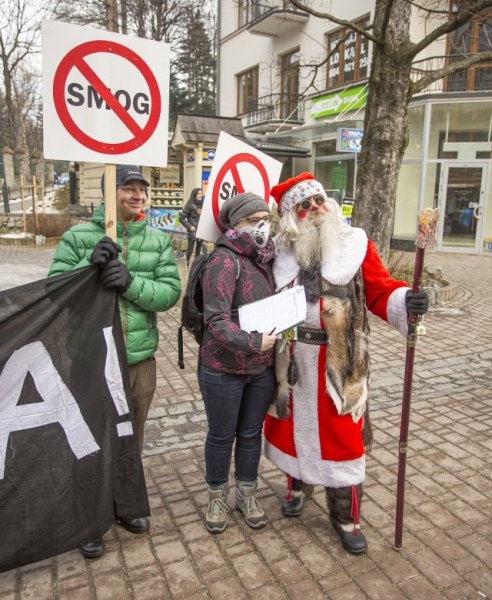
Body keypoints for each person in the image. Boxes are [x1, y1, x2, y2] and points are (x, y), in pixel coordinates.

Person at [263, 172, 429, 554]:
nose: (315, 208)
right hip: (291, 361)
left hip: (339, 362)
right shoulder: (279, 252)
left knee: (342, 439)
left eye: (319, 200)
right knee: (291, 428)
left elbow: (381, 289)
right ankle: (297, 487)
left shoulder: (355, 244)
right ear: (291, 216)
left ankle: (346, 517)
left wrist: (406, 300)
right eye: (304, 205)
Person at [48, 164, 181, 558]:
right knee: (90, 438)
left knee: (130, 437)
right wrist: (88, 267)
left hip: (138, 361)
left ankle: (126, 503)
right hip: (92, 358)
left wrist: (131, 283)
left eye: (142, 188)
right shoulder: (77, 237)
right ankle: (90, 517)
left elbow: (169, 293)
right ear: (109, 192)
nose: (138, 195)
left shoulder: (157, 240)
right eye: (128, 187)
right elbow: (55, 292)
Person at [198, 192, 278, 534]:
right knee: (221, 436)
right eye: (252, 220)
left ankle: (247, 493)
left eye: (266, 219)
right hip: (223, 369)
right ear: (235, 224)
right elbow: (215, 320)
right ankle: (217, 497)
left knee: (249, 434)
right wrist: (253, 342)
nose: (261, 226)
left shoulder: (267, 258)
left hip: (261, 368)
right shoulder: (224, 260)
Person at [179, 188, 204, 266]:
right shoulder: (189, 205)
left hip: (200, 230)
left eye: (201, 193)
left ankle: (196, 266)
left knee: (198, 251)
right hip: (192, 231)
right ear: (194, 194)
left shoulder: (202, 204)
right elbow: (181, 218)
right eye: (198, 194)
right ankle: (186, 264)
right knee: (190, 250)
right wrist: (190, 227)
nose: (200, 195)